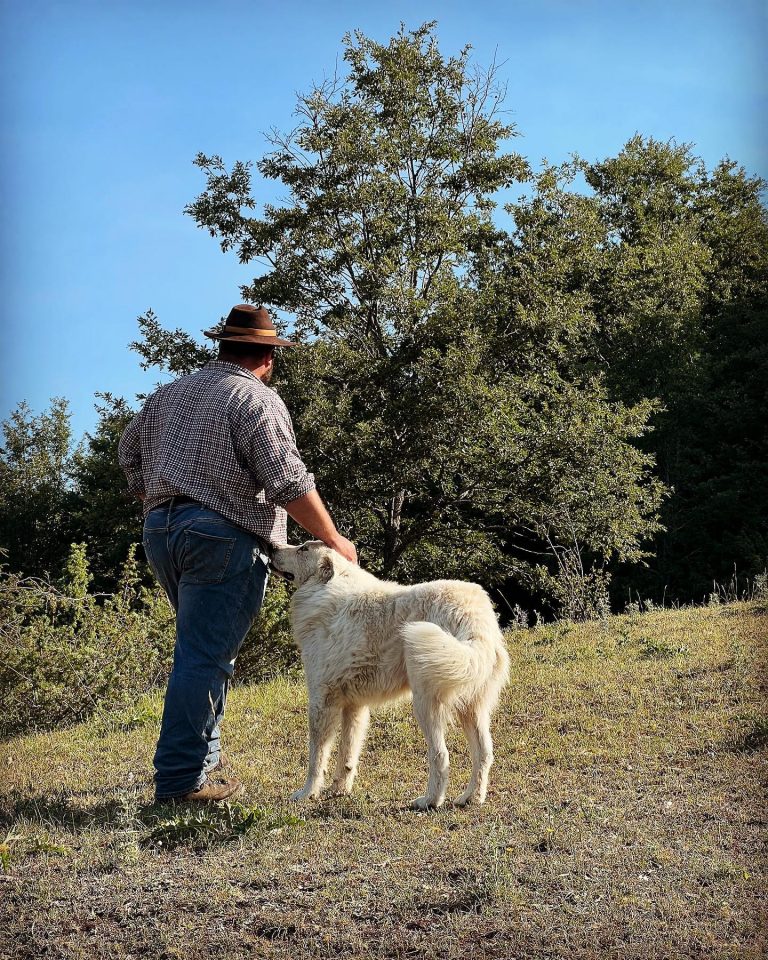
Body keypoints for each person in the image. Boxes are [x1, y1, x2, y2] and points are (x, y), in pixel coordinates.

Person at [118, 304, 356, 803]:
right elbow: (287, 481)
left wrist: (155, 495)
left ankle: (200, 765)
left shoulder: (168, 395)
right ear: (268, 356)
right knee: (205, 655)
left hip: (161, 531)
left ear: (222, 347)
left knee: (201, 649)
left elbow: (127, 452)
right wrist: (333, 539)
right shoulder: (255, 399)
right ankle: (181, 781)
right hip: (222, 536)